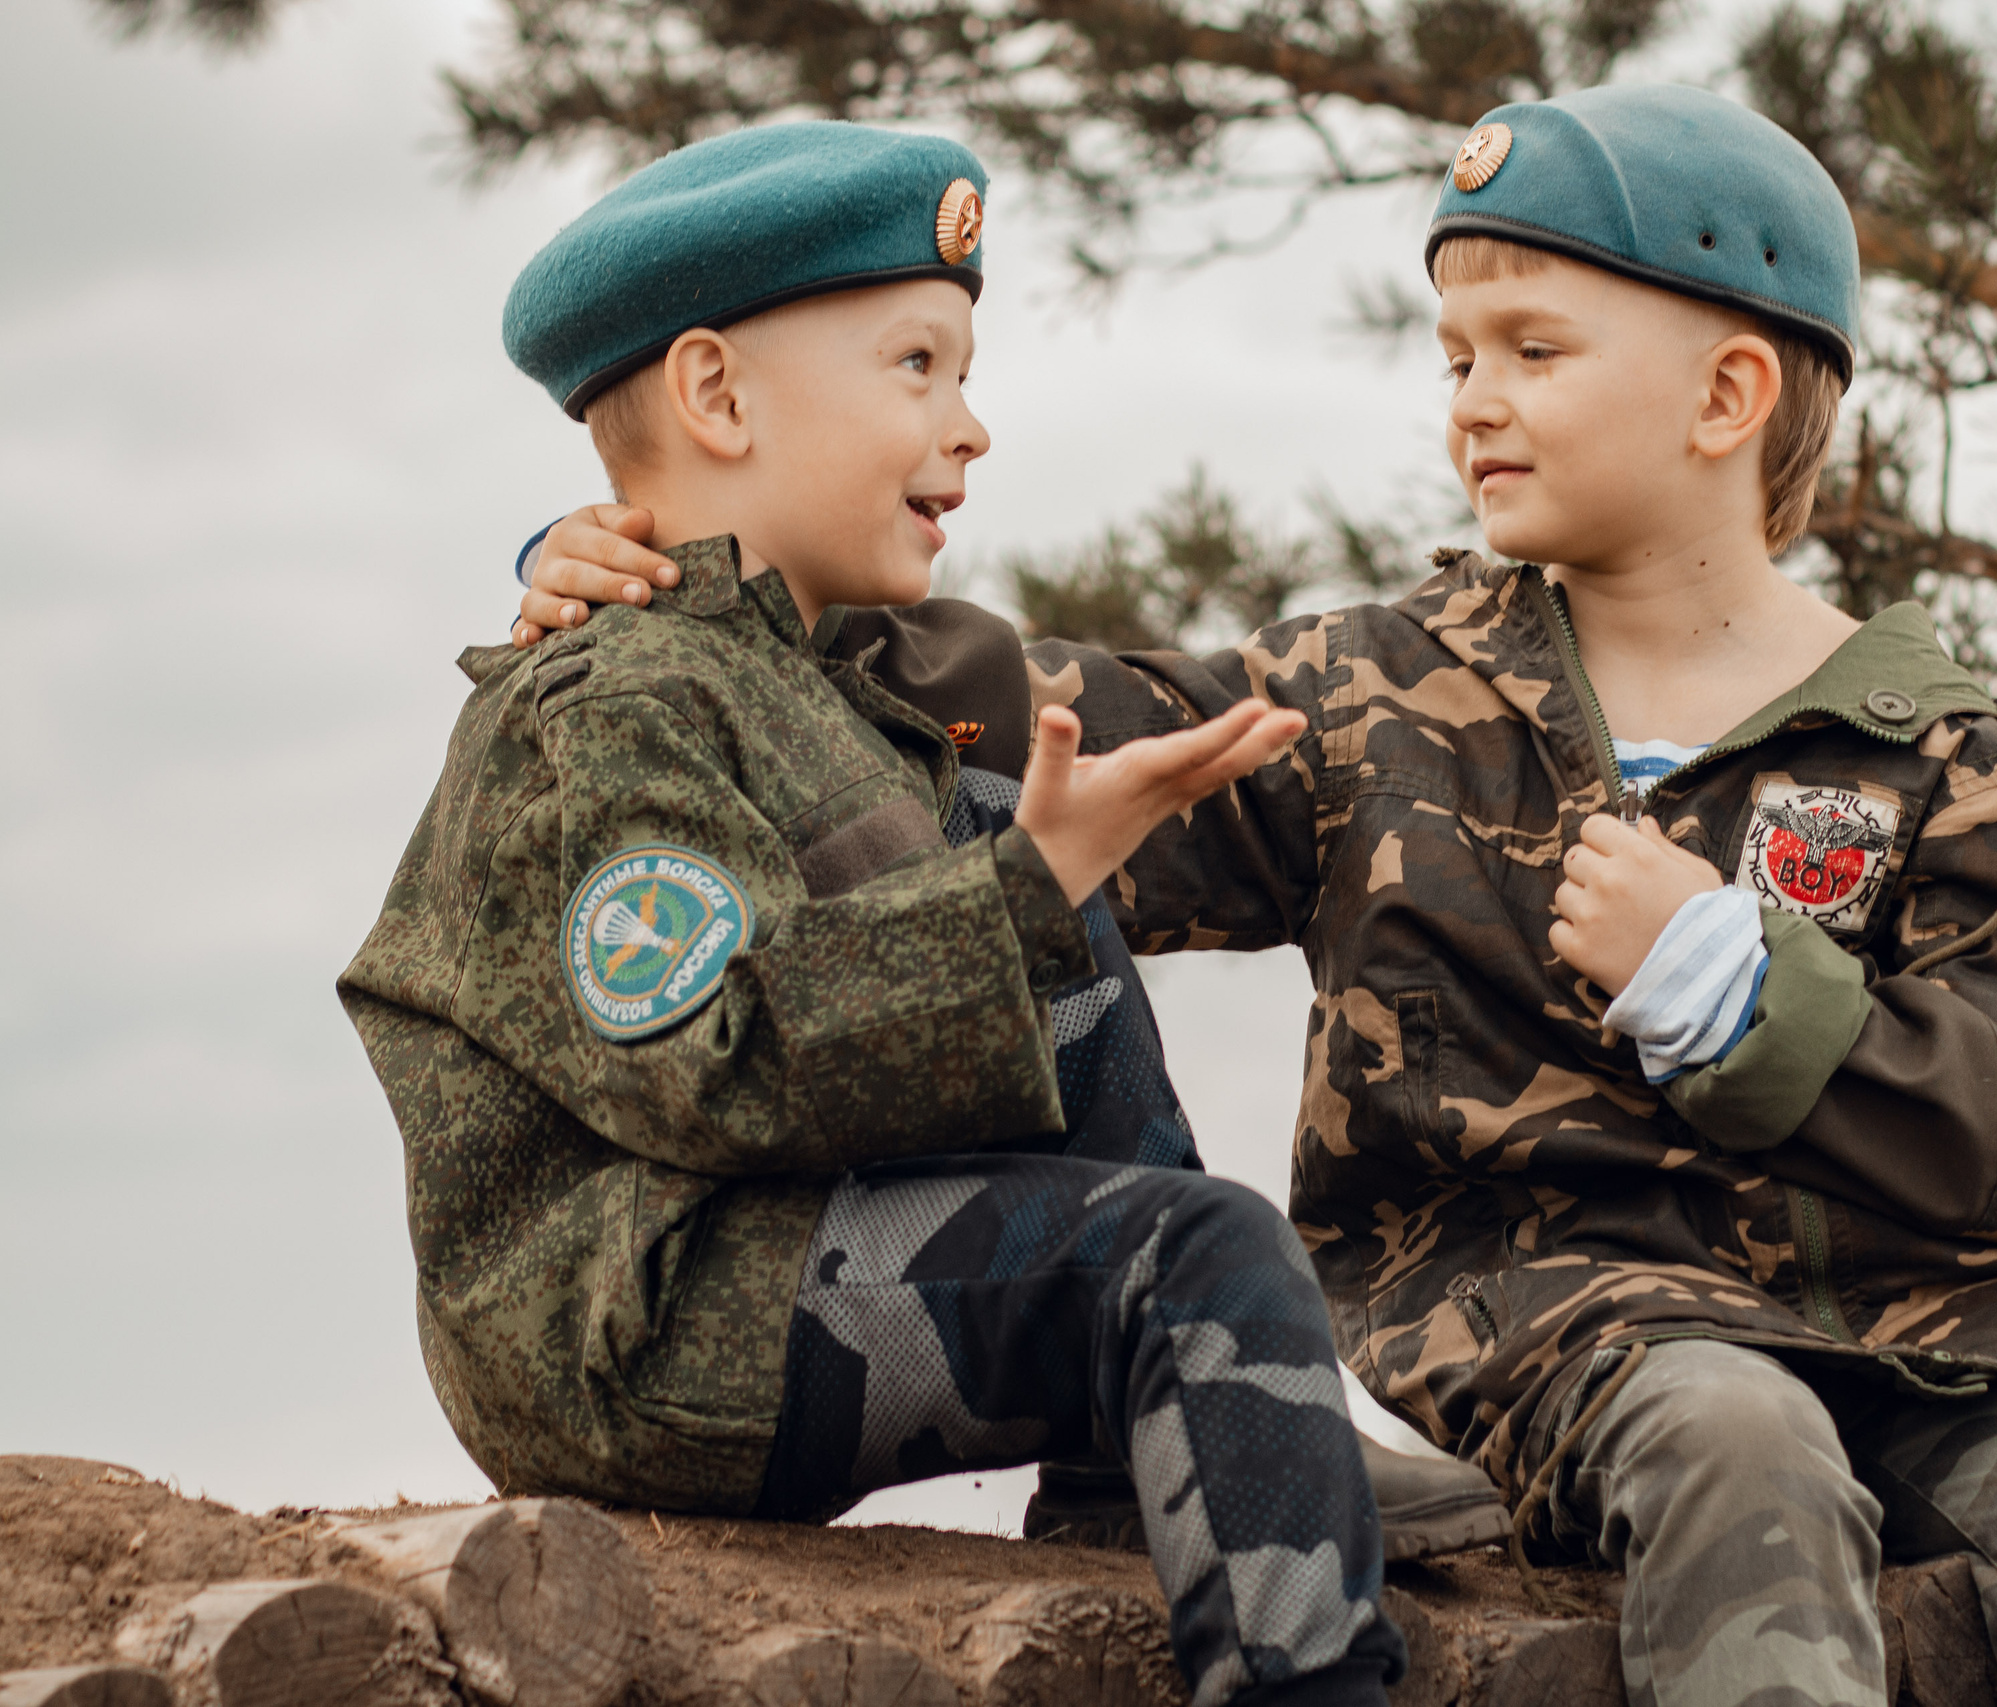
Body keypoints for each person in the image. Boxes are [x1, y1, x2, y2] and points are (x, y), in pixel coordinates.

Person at [508, 89, 1997, 1707]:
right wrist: (681, 574)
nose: (1473, 401)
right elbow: (1013, 730)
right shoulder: (1384, 701)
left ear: (1729, 396)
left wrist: (1761, 1001)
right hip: (1608, 1329)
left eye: (1531, 346)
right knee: (1746, 1474)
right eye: (1454, 356)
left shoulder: (1942, 744)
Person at [336, 120, 1416, 1707]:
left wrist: (1032, 882)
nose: (970, 426)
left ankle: (1163, 1445)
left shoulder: (804, 683)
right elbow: (705, 1054)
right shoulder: (614, 701)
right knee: (1201, 1253)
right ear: (715, 395)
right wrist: (1023, 894)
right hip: (637, 1320)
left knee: (1003, 833)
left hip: (753, 1251)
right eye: (918, 364)